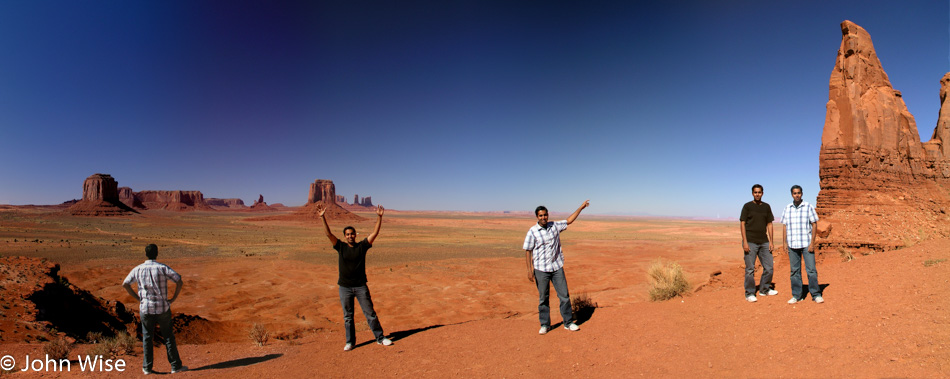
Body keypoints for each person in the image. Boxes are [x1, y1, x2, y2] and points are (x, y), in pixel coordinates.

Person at [319, 204, 393, 351]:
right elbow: (329, 234)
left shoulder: (362, 246)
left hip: (360, 286)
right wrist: (323, 217)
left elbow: (374, 234)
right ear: (345, 236)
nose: (350, 236)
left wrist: (379, 217)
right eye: (347, 234)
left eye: (352, 234)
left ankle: (380, 338)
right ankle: (350, 342)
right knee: (348, 316)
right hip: (344, 287)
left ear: (355, 235)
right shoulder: (340, 246)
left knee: (370, 313)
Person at [523, 200, 589, 335]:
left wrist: (581, 207)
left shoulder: (555, 226)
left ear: (548, 215)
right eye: (540, 216)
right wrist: (530, 270)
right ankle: (545, 324)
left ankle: (568, 322)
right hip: (541, 269)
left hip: (557, 267)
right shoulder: (533, 232)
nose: (543, 218)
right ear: (537, 217)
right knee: (543, 298)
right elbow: (528, 251)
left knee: (564, 295)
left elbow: (569, 220)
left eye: (545, 215)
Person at [122, 244, 188, 375]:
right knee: (168, 336)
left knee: (147, 337)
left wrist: (138, 298)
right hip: (163, 308)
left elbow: (125, 284)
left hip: (146, 308)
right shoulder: (162, 268)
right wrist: (173, 298)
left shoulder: (138, 269)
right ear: (156, 253)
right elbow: (179, 280)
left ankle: (147, 368)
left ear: (146, 254)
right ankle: (175, 366)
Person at [781, 185, 823, 304]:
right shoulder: (787, 208)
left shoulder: (808, 207)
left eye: (799, 193)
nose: (797, 195)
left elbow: (814, 224)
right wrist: (784, 242)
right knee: (794, 271)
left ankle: (816, 294)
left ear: (802, 194)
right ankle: (797, 295)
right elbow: (784, 226)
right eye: (795, 193)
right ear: (792, 195)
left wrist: (812, 243)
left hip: (806, 243)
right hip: (792, 244)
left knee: (811, 270)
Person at [740, 184, 777, 302]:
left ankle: (764, 289)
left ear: (762, 193)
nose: (757, 194)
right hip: (750, 241)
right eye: (755, 192)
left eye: (759, 192)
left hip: (764, 242)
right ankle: (750, 293)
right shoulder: (747, 206)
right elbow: (742, 223)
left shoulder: (766, 207)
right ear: (752, 193)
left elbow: (770, 224)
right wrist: (745, 242)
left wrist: (771, 241)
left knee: (769, 267)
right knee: (750, 269)